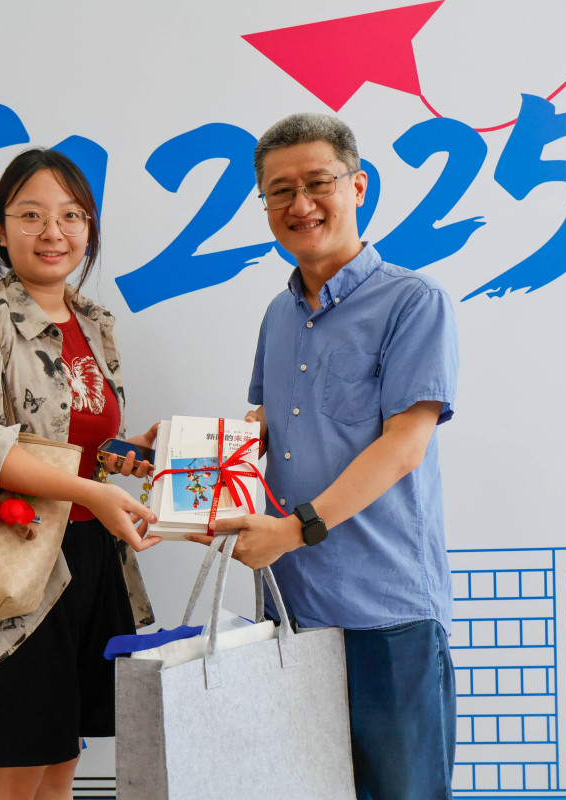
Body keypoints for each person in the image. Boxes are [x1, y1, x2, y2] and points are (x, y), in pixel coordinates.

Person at [190, 113, 459, 799]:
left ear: (357, 186)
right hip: (292, 612)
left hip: (386, 612)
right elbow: (266, 428)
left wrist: (293, 529)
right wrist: (179, 456)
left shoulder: (413, 301)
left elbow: (404, 445)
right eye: (280, 191)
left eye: (318, 183)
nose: (300, 204)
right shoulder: (278, 315)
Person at [0, 148, 160, 800]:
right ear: (0, 228)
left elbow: (68, 441)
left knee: (60, 766)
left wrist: (125, 450)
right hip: (14, 562)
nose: (54, 232)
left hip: (94, 554)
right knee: (13, 769)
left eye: (71, 215)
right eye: (31, 215)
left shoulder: (93, 324)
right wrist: (90, 490)